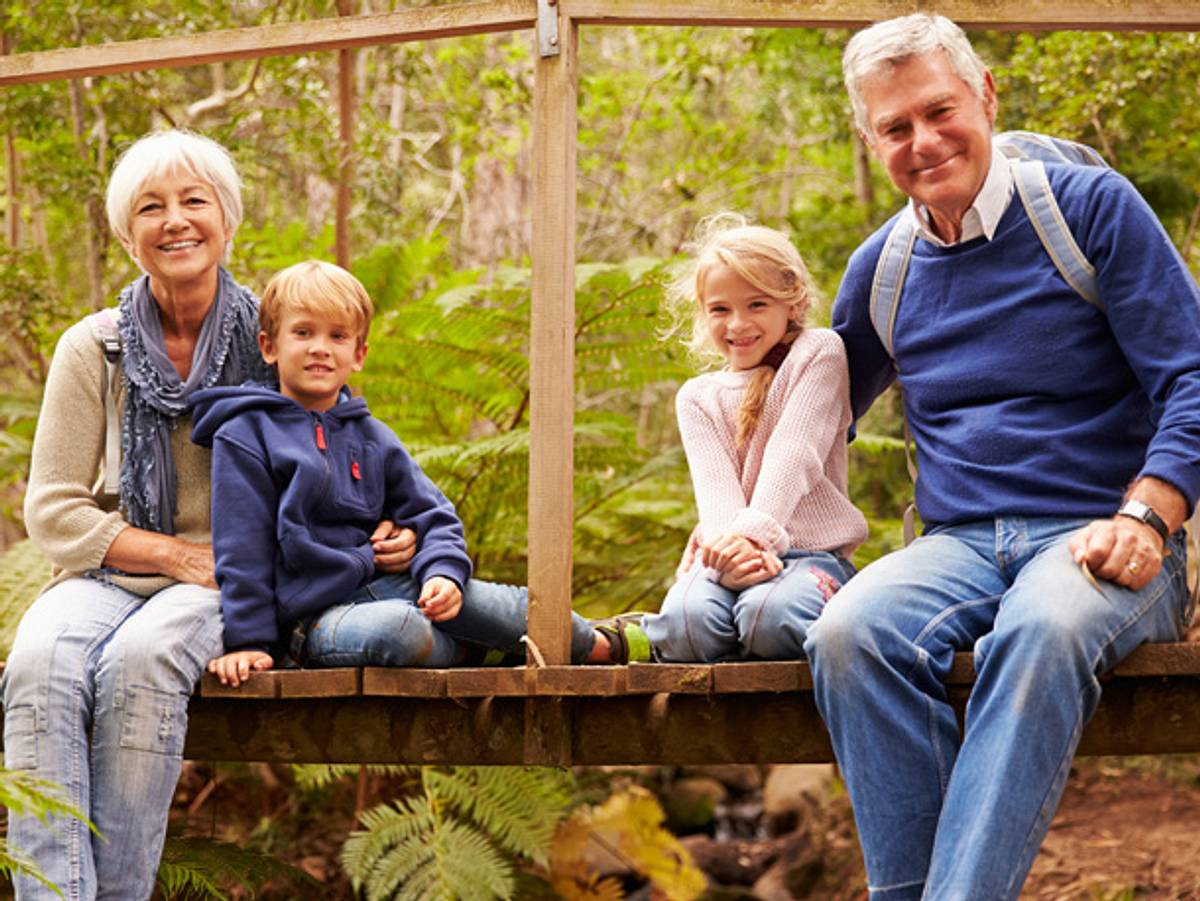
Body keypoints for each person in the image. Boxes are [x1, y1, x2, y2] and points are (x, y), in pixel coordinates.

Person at [809, 14, 1200, 899]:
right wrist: (742, 529)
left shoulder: (1088, 213)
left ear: (984, 95)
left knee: (1044, 624)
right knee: (847, 632)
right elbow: (811, 421)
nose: (924, 141)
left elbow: (1192, 376)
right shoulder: (883, 268)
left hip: (1105, 535)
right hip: (955, 546)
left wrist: (1151, 511)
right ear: (870, 141)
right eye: (895, 127)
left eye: (939, 110)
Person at [0, 130, 416, 901]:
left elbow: (343, 454)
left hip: (238, 572)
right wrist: (168, 554)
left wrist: (396, 525)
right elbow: (54, 510)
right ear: (129, 235)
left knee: (141, 659)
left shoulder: (277, 333)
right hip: (111, 566)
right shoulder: (95, 346)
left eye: (195, 201)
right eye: (151, 207)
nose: (176, 220)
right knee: (38, 661)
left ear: (227, 220)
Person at [190, 260, 609, 684]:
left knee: (534, 613)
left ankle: (620, 645)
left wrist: (442, 574)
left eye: (337, 336)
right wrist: (251, 642)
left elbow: (433, 515)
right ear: (269, 346)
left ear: (359, 354)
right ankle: (477, 651)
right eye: (303, 332)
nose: (320, 347)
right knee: (403, 632)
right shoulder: (246, 434)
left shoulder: (374, 437)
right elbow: (242, 551)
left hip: (396, 586)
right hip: (314, 619)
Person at [596, 216, 868, 663]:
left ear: (794, 302)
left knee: (769, 616)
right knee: (686, 624)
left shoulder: (818, 353)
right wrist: (729, 554)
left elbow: (795, 454)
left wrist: (754, 539)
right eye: (720, 309)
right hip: (729, 555)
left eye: (757, 304)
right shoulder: (697, 397)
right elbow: (715, 494)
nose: (738, 324)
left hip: (811, 557)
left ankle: (755, 629)